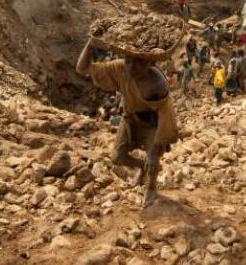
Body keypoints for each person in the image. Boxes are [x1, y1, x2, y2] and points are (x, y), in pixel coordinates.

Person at [76, 39, 179, 208]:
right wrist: (90, 44)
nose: (131, 66)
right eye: (128, 60)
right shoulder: (120, 69)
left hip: (153, 123)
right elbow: (82, 68)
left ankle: (151, 188)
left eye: (138, 62)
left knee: (153, 161)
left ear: (151, 63)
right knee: (117, 157)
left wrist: (158, 144)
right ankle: (141, 167)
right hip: (130, 119)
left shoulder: (157, 83)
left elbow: (166, 114)